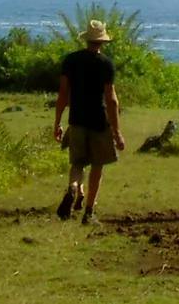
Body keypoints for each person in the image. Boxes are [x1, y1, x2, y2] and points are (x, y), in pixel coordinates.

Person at [53, 19, 126, 225]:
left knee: (77, 163)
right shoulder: (106, 64)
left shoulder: (71, 61)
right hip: (99, 121)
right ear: (102, 42)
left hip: (76, 119)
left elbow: (63, 94)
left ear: (86, 40)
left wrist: (57, 122)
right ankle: (89, 211)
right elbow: (111, 99)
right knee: (97, 165)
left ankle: (73, 188)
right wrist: (117, 132)